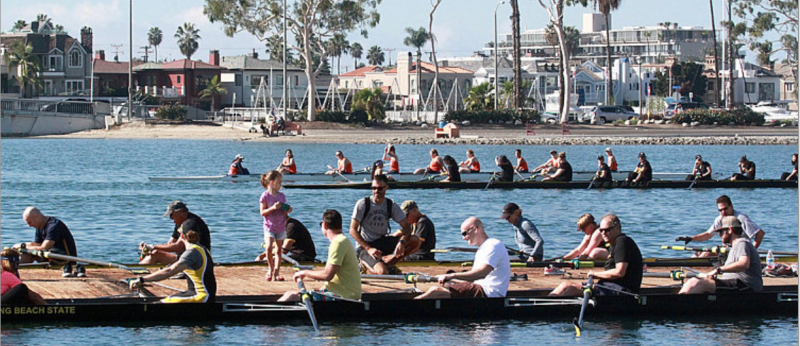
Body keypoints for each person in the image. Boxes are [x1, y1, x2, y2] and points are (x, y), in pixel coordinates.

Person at [415, 217, 510, 299]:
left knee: (436, 290)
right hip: (480, 289)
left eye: (464, 233)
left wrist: (452, 276)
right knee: (444, 286)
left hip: (489, 293)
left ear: (475, 229)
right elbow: (473, 279)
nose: (463, 238)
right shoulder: (483, 248)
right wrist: (448, 279)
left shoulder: (492, 245)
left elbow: (482, 273)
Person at [278, 209, 362, 302]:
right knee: (290, 293)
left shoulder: (338, 243)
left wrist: (304, 273)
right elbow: (334, 277)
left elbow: (327, 275)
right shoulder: (343, 240)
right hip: (341, 292)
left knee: (291, 296)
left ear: (324, 225)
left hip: (343, 297)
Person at [549, 213, 643, 296]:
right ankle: (546, 304)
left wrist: (595, 274)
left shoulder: (622, 242)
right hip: (608, 287)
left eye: (607, 230)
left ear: (618, 228)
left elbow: (619, 272)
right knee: (565, 284)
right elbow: (578, 250)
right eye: (601, 230)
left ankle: (554, 308)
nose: (603, 233)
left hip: (622, 291)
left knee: (572, 289)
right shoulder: (614, 244)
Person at [128, 221, 216, 303]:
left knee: (158, 304)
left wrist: (142, 280)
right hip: (204, 295)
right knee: (169, 299)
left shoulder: (192, 252)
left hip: (200, 297)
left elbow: (170, 271)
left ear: (182, 236)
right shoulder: (202, 249)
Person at [349, 174, 420, 275]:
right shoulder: (363, 204)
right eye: (373, 188)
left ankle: (389, 265)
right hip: (365, 245)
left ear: (386, 187)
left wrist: (402, 242)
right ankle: (364, 265)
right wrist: (369, 249)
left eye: (379, 188)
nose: (376, 191)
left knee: (415, 240)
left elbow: (407, 227)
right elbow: (352, 230)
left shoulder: (391, 205)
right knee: (382, 272)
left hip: (382, 242)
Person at [679, 216, 762, 294]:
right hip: (734, 284)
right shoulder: (735, 246)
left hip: (745, 286)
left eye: (721, 232)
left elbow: (744, 264)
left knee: (702, 284)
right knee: (692, 281)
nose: (719, 235)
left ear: (730, 230)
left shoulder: (742, 243)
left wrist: (718, 270)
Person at [676, 195, 765, 251]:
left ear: (731, 206)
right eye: (720, 210)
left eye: (725, 209)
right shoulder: (719, 219)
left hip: (741, 249)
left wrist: (752, 251)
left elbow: (760, 233)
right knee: (700, 254)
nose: (723, 212)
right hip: (727, 249)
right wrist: (691, 238)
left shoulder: (741, 218)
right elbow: (708, 235)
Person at [15, 207, 82, 278]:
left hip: (64, 260)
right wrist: (21, 246)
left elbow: (44, 247)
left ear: (36, 216)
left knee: (27, 252)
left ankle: (16, 273)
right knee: (24, 252)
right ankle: (14, 271)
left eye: (29, 222)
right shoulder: (39, 226)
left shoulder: (54, 225)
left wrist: (23, 246)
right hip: (50, 256)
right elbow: (38, 245)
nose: (29, 226)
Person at [139, 201, 212, 265]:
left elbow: (178, 247)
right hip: (186, 257)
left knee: (156, 254)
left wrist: (153, 247)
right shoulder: (180, 222)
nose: (170, 218)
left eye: (171, 214)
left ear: (180, 212)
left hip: (196, 260)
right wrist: (149, 248)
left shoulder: (189, 224)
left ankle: (138, 272)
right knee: (155, 252)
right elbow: (170, 244)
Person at [260, 170, 292, 281]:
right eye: (279, 183)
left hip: (280, 225)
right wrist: (273, 208)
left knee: (278, 250)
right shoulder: (265, 196)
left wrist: (287, 209)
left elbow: (284, 212)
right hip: (269, 226)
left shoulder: (281, 196)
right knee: (269, 247)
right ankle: (270, 269)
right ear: (272, 183)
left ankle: (277, 272)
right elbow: (262, 212)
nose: (280, 185)